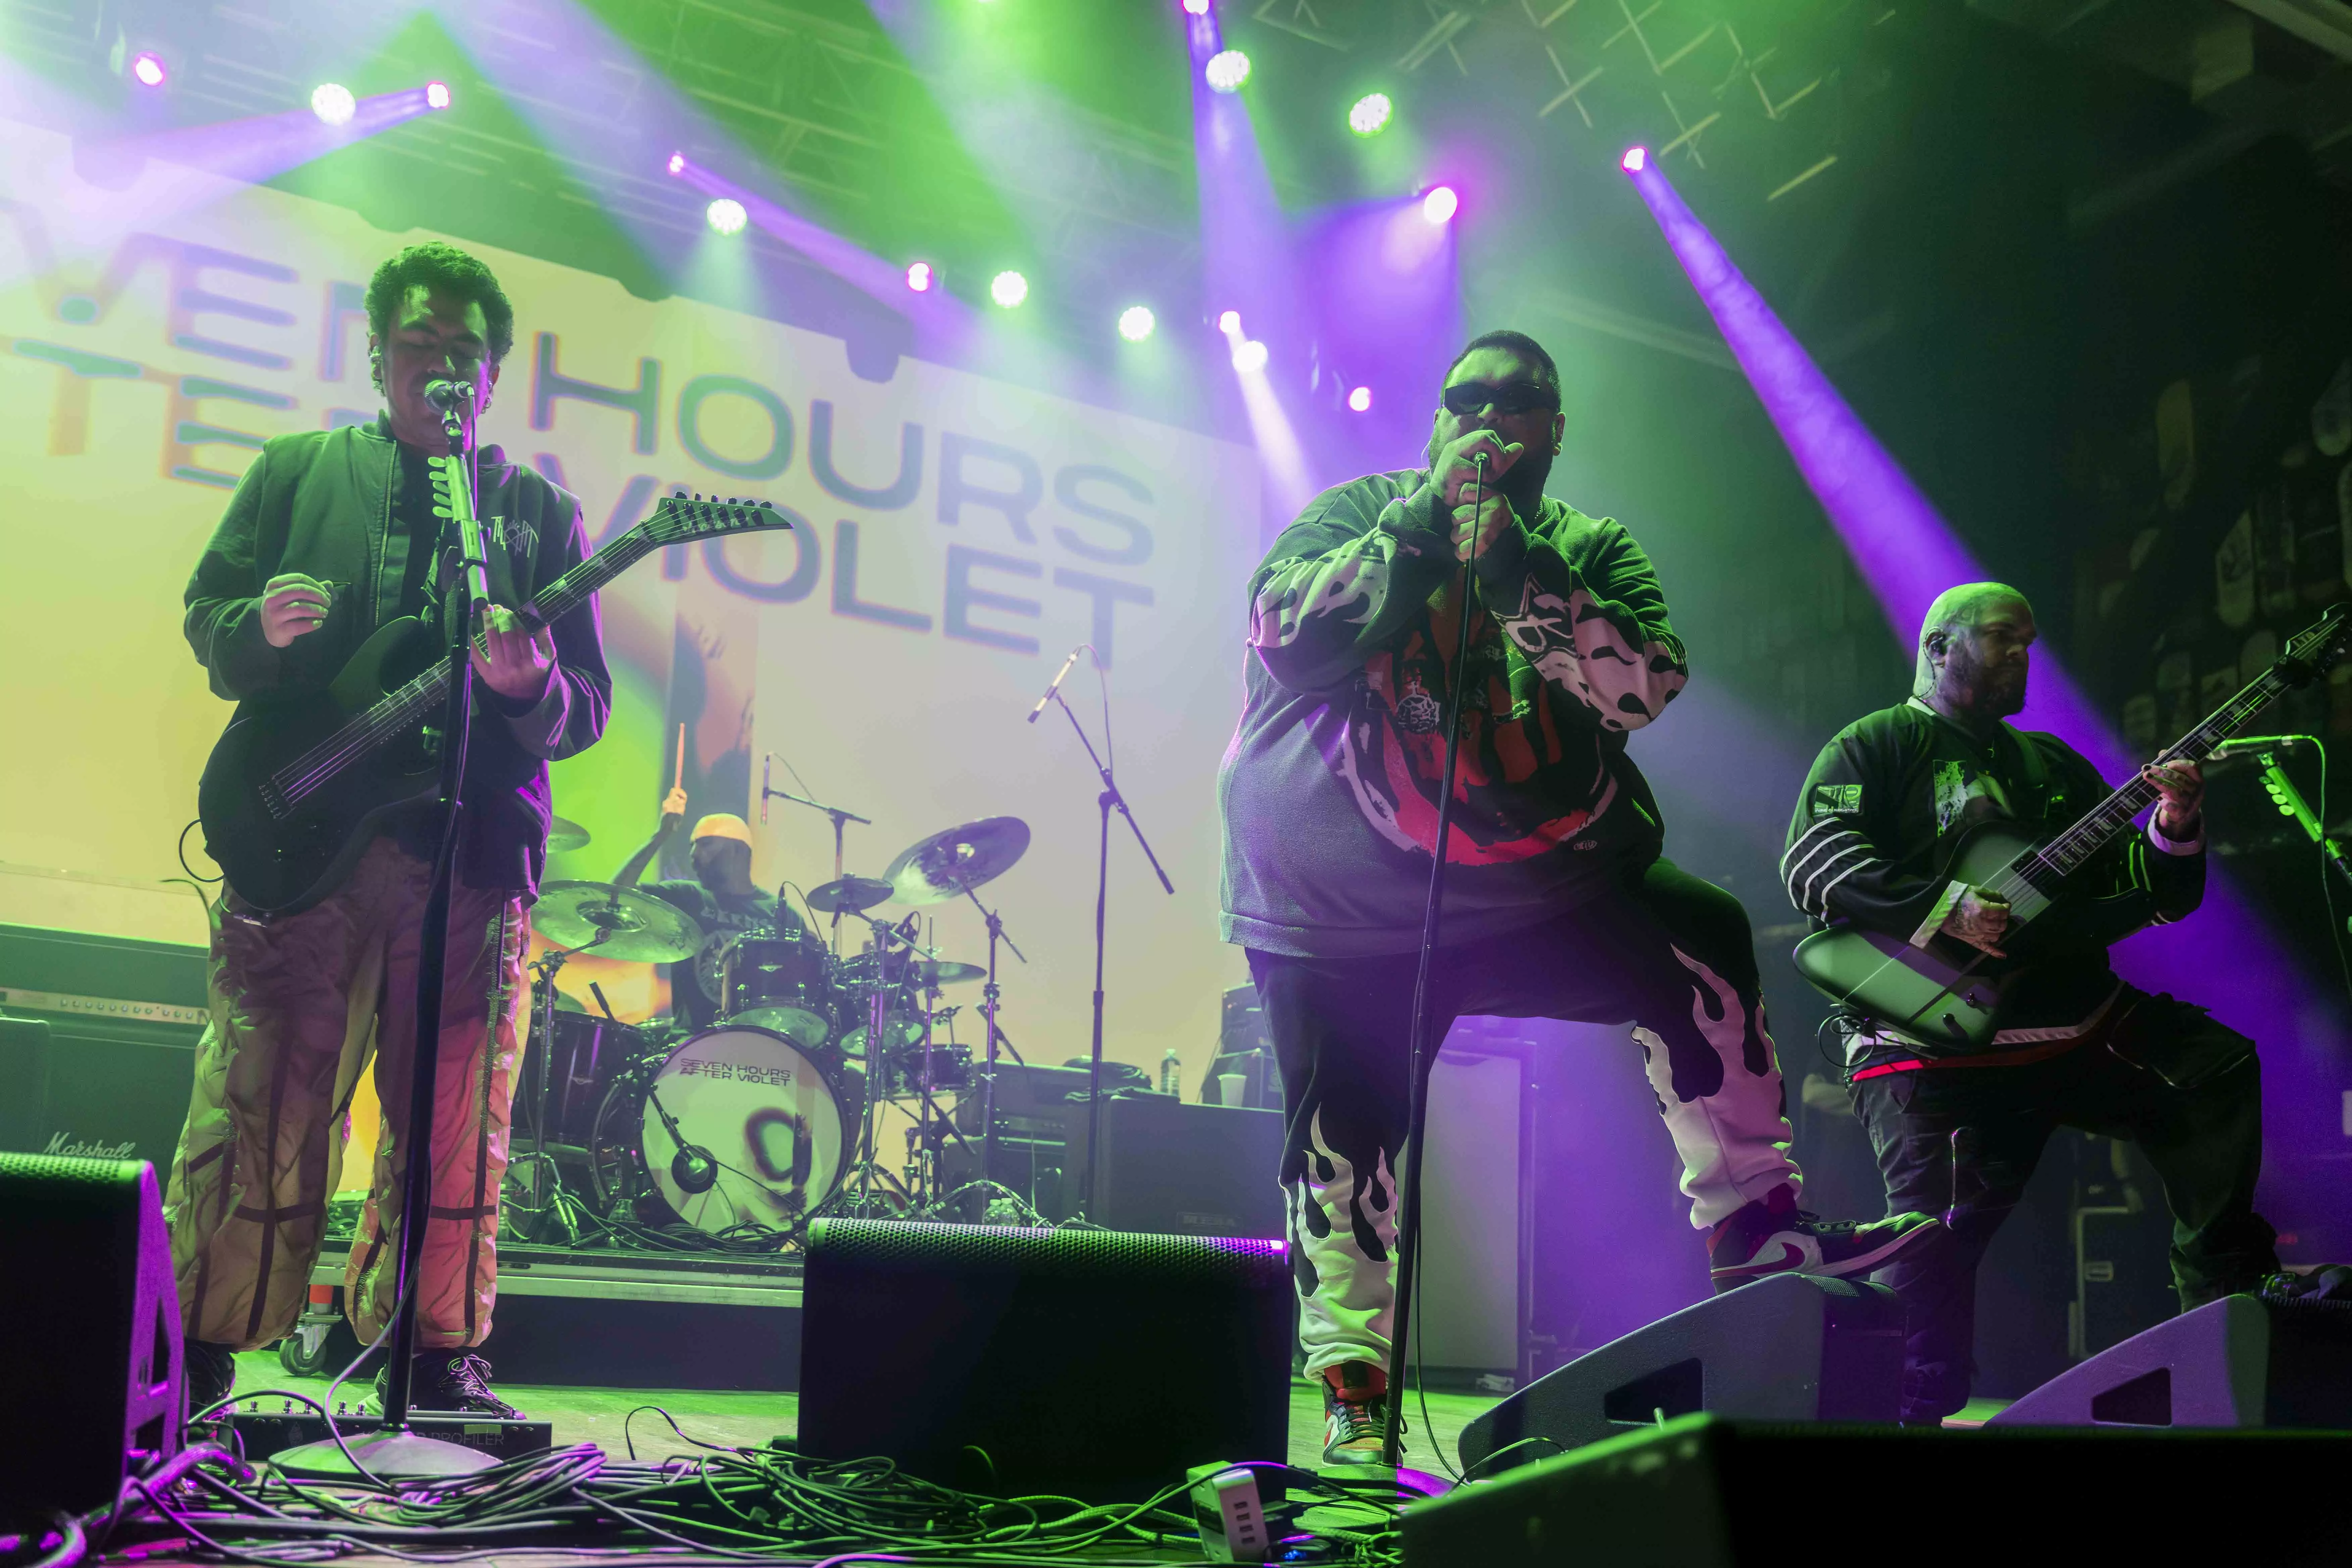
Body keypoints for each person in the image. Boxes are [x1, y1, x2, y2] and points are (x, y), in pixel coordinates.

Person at [1218, 329, 1939, 1464]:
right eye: (1464, 399)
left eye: (1518, 403)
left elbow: (1641, 685)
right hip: (1345, 903)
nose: (1487, 420)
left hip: (1531, 885)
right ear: (1435, 417)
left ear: (1556, 429)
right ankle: (1352, 1391)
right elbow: (1286, 636)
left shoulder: (1588, 546)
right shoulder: (1352, 512)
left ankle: (1754, 1223)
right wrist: (1422, 529)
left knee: (1698, 944)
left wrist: (1511, 569)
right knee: (1346, 1155)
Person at [170, 242, 611, 1420]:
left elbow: (587, 710)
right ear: (375, 353)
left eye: (466, 352)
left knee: (461, 1115)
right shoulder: (295, 470)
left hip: (471, 860)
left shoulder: (534, 514)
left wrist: (529, 692)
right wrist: (253, 630)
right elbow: (207, 618)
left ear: (496, 369)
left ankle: (433, 1354)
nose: (442, 366)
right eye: (420, 345)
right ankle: (203, 1348)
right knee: (264, 1094)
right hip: (303, 849)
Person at [1784, 582, 2278, 1426]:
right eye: (2002, 637)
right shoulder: (1873, 745)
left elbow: (2152, 897)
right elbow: (1814, 866)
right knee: (1931, 1242)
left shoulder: (2051, 766)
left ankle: (2220, 1326)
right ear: (1940, 648)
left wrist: (2175, 820)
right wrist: (1942, 909)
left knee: (2211, 1067)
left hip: (2074, 1027)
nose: (2023, 654)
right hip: (1933, 1047)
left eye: (2030, 641)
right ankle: (1906, 1418)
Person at [615, 791, 807, 1031]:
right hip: (692, 1044)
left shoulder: (783, 915)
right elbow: (616, 896)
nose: (694, 855)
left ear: (738, 851)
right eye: (692, 847)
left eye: (705, 844)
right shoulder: (686, 896)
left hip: (759, 1046)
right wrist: (660, 835)